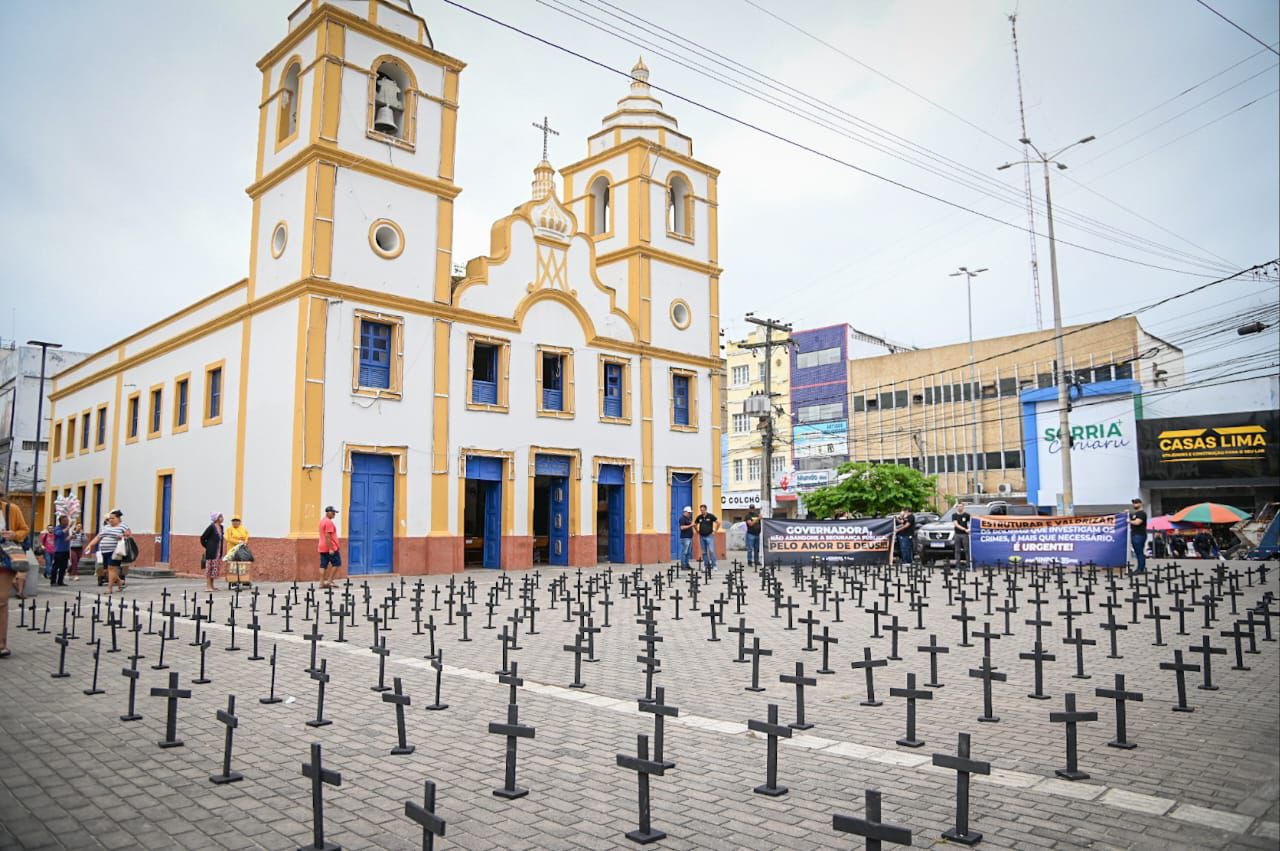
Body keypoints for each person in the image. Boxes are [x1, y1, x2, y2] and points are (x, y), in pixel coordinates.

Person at [0, 498, 32, 657]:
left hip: (5, 558)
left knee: (1, 601)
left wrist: (14, 534)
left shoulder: (11, 509)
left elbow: (24, 530)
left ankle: (1, 644)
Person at [85, 510, 131, 595]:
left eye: (112, 518)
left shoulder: (123, 526)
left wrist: (122, 536)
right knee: (107, 570)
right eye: (109, 518)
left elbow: (128, 535)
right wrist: (90, 545)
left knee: (111, 569)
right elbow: (98, 537)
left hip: (116, 552)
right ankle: (120, 582)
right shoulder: (106, 527)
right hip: (104, 552)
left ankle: (109, 588)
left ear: (118, 518)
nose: (110, 520)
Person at [200, 512, 225, 592]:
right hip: (211, 552)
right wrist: (207, 546)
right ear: (217, 518)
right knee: (209, 569)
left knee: (214, 569)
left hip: (218, 552)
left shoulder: (221, 527)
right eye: (221, 516)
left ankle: (212, 586)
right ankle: (208, 586)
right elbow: (203, 537)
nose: (222, 518)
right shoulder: (211, 527)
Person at [318, 505, 341, 589]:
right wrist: (331, 548)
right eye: (333, 512)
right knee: (337, 563)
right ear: (329, 512)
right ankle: (330, 581)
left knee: (323, 565)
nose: (335, 514)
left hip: (322, 546)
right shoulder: (329, 522)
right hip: (330, 547)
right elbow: (328, 536)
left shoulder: (322, 521)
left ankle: (321, 583)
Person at [225, 515, 251, 589]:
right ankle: (233, 582)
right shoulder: (229, 529)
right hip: (232, 550)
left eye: (237, 521)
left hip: (241, 550)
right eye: (233, 521)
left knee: (242, 565)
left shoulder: (243, 529)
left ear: (239, 522)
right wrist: (238, 542)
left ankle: (244, 580)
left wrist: (244, 542)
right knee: (233, 566)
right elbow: (229, 539)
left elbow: (246, 536)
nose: (235, 522)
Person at [694, 504, 719, 570]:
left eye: (703, 510)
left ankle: (714, 565)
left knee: (711, 551)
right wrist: (697, 530)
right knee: (704, 552)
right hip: (702, 536)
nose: (702, 511)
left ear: (706, 510)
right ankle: (706, 565)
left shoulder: (710, 516)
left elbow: (718, 523)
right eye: (701, 510)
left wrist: (715, 531)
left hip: (709, 536)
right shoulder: (699, 517)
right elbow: (695, 524)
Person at [1128, 498, 1148, 574]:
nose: (1134, 504)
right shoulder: (1135, 514)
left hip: (1139, 535)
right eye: (1133, 503)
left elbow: (1137, 522)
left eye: (1136, 503)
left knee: (1139, 552)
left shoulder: (1142, 514)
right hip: (1135, 535)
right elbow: (1131, 517)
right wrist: (1127, 514)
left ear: (1140, 504)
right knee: (1137, 552)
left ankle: (1140, 569)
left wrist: (1129, 521)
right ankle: (1140, 568)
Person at [51, 514, 70, 586]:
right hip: (58, 550)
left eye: (67, 520)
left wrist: (70, 537)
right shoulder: (57, 528)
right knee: (56, 566)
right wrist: (68, 528)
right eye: (66, 520)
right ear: (61, 521)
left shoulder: (66, 529)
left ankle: (60, 581)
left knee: (63, 566)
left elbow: (65, 539)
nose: (67, 522)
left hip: (65, 550)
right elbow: (59, 534)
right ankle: (53, 581)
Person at [952, 502, 972, 569]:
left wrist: (969, 529)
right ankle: (957, 565)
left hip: (965, 535)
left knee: (966, 550)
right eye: (958, 506)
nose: (959, 507)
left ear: (963, 507)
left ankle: (968, 565)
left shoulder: (967, 515)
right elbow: (956, 524)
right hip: (957, 534)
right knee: (957, 550)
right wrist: (964, 529)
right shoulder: (954, 515)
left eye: (961, 506)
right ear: (956, 507)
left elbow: (971, 523)